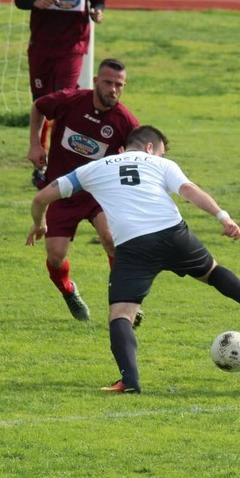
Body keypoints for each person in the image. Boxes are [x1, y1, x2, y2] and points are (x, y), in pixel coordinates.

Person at [28, 125, 240, 394]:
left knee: (121, 314)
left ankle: (130, 380)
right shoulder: (161, 164)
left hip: (134, 245)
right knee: (212, 272)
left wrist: (40, 224)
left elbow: (41, 198)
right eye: (161, 152)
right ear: (150, 148)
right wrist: (223, 217)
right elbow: (190, 191)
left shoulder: (93, 168)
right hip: (173, 234)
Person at [28, 58, 139, 322]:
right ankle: (68, 290)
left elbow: (141, 152)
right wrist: (35, 144)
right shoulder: (70, 101)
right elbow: (39, 107)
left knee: (111, 240)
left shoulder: (125, 120)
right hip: (61, 191)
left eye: (119, 85)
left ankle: (124, 303)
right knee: (56, 256)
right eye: (108, 83)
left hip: (99, 193)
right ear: (96, 81)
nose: (113, 89)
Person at [15, 0, 108, 189]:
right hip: (42, 48)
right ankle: (40, 163)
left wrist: (97, 11)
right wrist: (38, 2)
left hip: (72, 48)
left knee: (63, 101)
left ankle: (62, 163)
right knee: (42, 103)